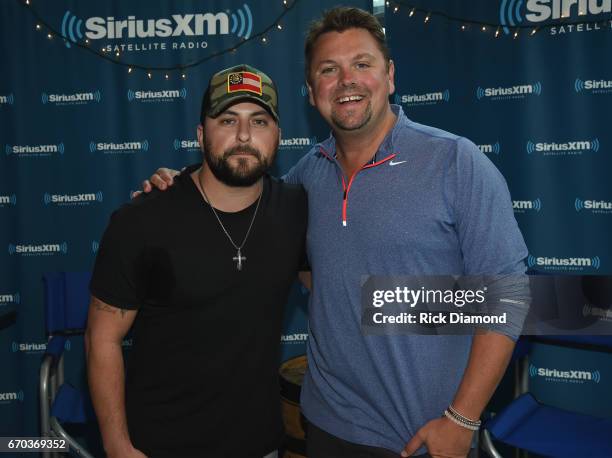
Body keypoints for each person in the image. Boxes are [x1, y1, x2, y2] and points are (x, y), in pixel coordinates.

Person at [141, 7, 529, 458]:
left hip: (425, 438)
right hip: (326, 425)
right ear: (311, 92)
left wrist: (461, 419)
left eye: (362, 64)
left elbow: (507, 296)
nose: (347, 80)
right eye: (329, 69)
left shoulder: (456, 163)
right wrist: (174, 185)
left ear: (390, 76)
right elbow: (238, 207)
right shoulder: (306, 176)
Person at [85, 64, 307, 458]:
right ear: (201, 134)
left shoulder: (297, 211)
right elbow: (103, 338)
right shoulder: (141, 220)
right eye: (227, 120)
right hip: (159, 445)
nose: (243, 135)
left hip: (259, 446)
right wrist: (118, 445)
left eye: (258, 121)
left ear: (278, 137)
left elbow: (340, 293)